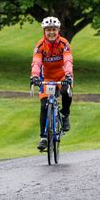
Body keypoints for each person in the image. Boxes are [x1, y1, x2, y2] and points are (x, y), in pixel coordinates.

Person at [30, 17, 73, 151]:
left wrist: (68, 75)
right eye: (48, 30)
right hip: (47, 77)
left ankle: (65, 115)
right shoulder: (40, 46)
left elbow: (68, 60)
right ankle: (43, 137)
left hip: (62, 75)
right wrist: (35, 76)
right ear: (44, 31)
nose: (51, 33)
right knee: (44, 105)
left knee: (66, 91)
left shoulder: (64, 44)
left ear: (58, 30)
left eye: (54, 29)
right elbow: (36, 63)